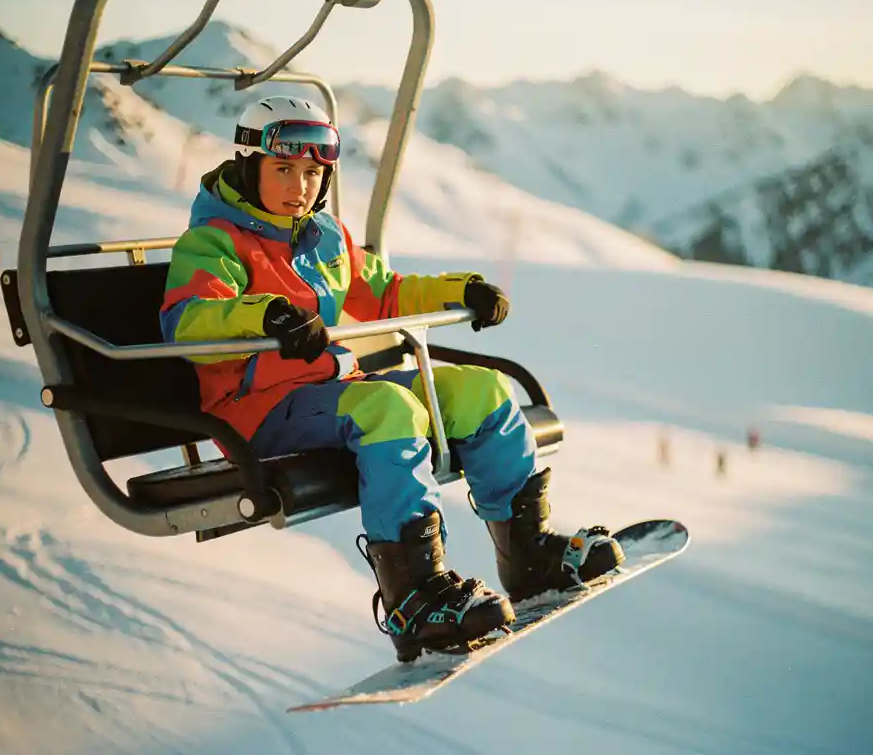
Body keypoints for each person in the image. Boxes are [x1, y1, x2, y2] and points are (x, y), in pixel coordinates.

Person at [159, 96, 625, 661]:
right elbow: (189, 322)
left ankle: (529, 555)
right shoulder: (213, 242)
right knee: (389, 407)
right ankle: (415, 598)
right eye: (283, 169)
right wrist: (264, 315)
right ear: (248, 164)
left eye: (311, 173)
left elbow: (386, 294)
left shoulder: (323, 238)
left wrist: (460, 291)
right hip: (253, 409)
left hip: (331, 392)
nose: (298, 186)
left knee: (480, 389)